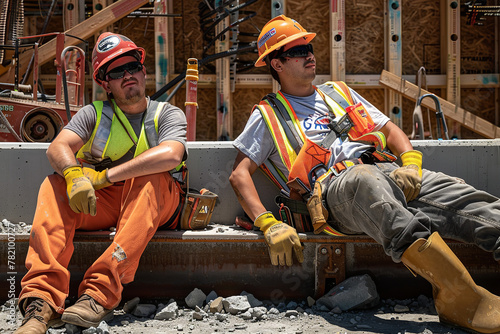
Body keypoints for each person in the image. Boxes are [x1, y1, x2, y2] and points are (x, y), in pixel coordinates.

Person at [229, 15, 500, 334]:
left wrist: (410, 164)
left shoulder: (339, 94)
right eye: (298, 50)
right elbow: (239, 174)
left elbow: (389, 129)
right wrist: (267, 223)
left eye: (310, 47)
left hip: (382, 171)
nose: (310, 54)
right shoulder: (268, 114)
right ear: (276, 64)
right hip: (333, 192)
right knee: (364, 181)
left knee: (461, 197)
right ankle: (458, 297)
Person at [15, 32, 187, 333]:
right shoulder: (93, 114)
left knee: (151, 178)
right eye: (116, 72)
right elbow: (57, 147)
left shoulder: (166, 113)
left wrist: (104, 176)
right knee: (54, 186)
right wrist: (73, 175)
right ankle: (41, 302)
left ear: (143, 71)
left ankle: (99, 293)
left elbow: (172, 154)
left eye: (132, 67)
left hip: (157, 202)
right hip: (107, 203)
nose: (127, 76)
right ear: (105, 83)